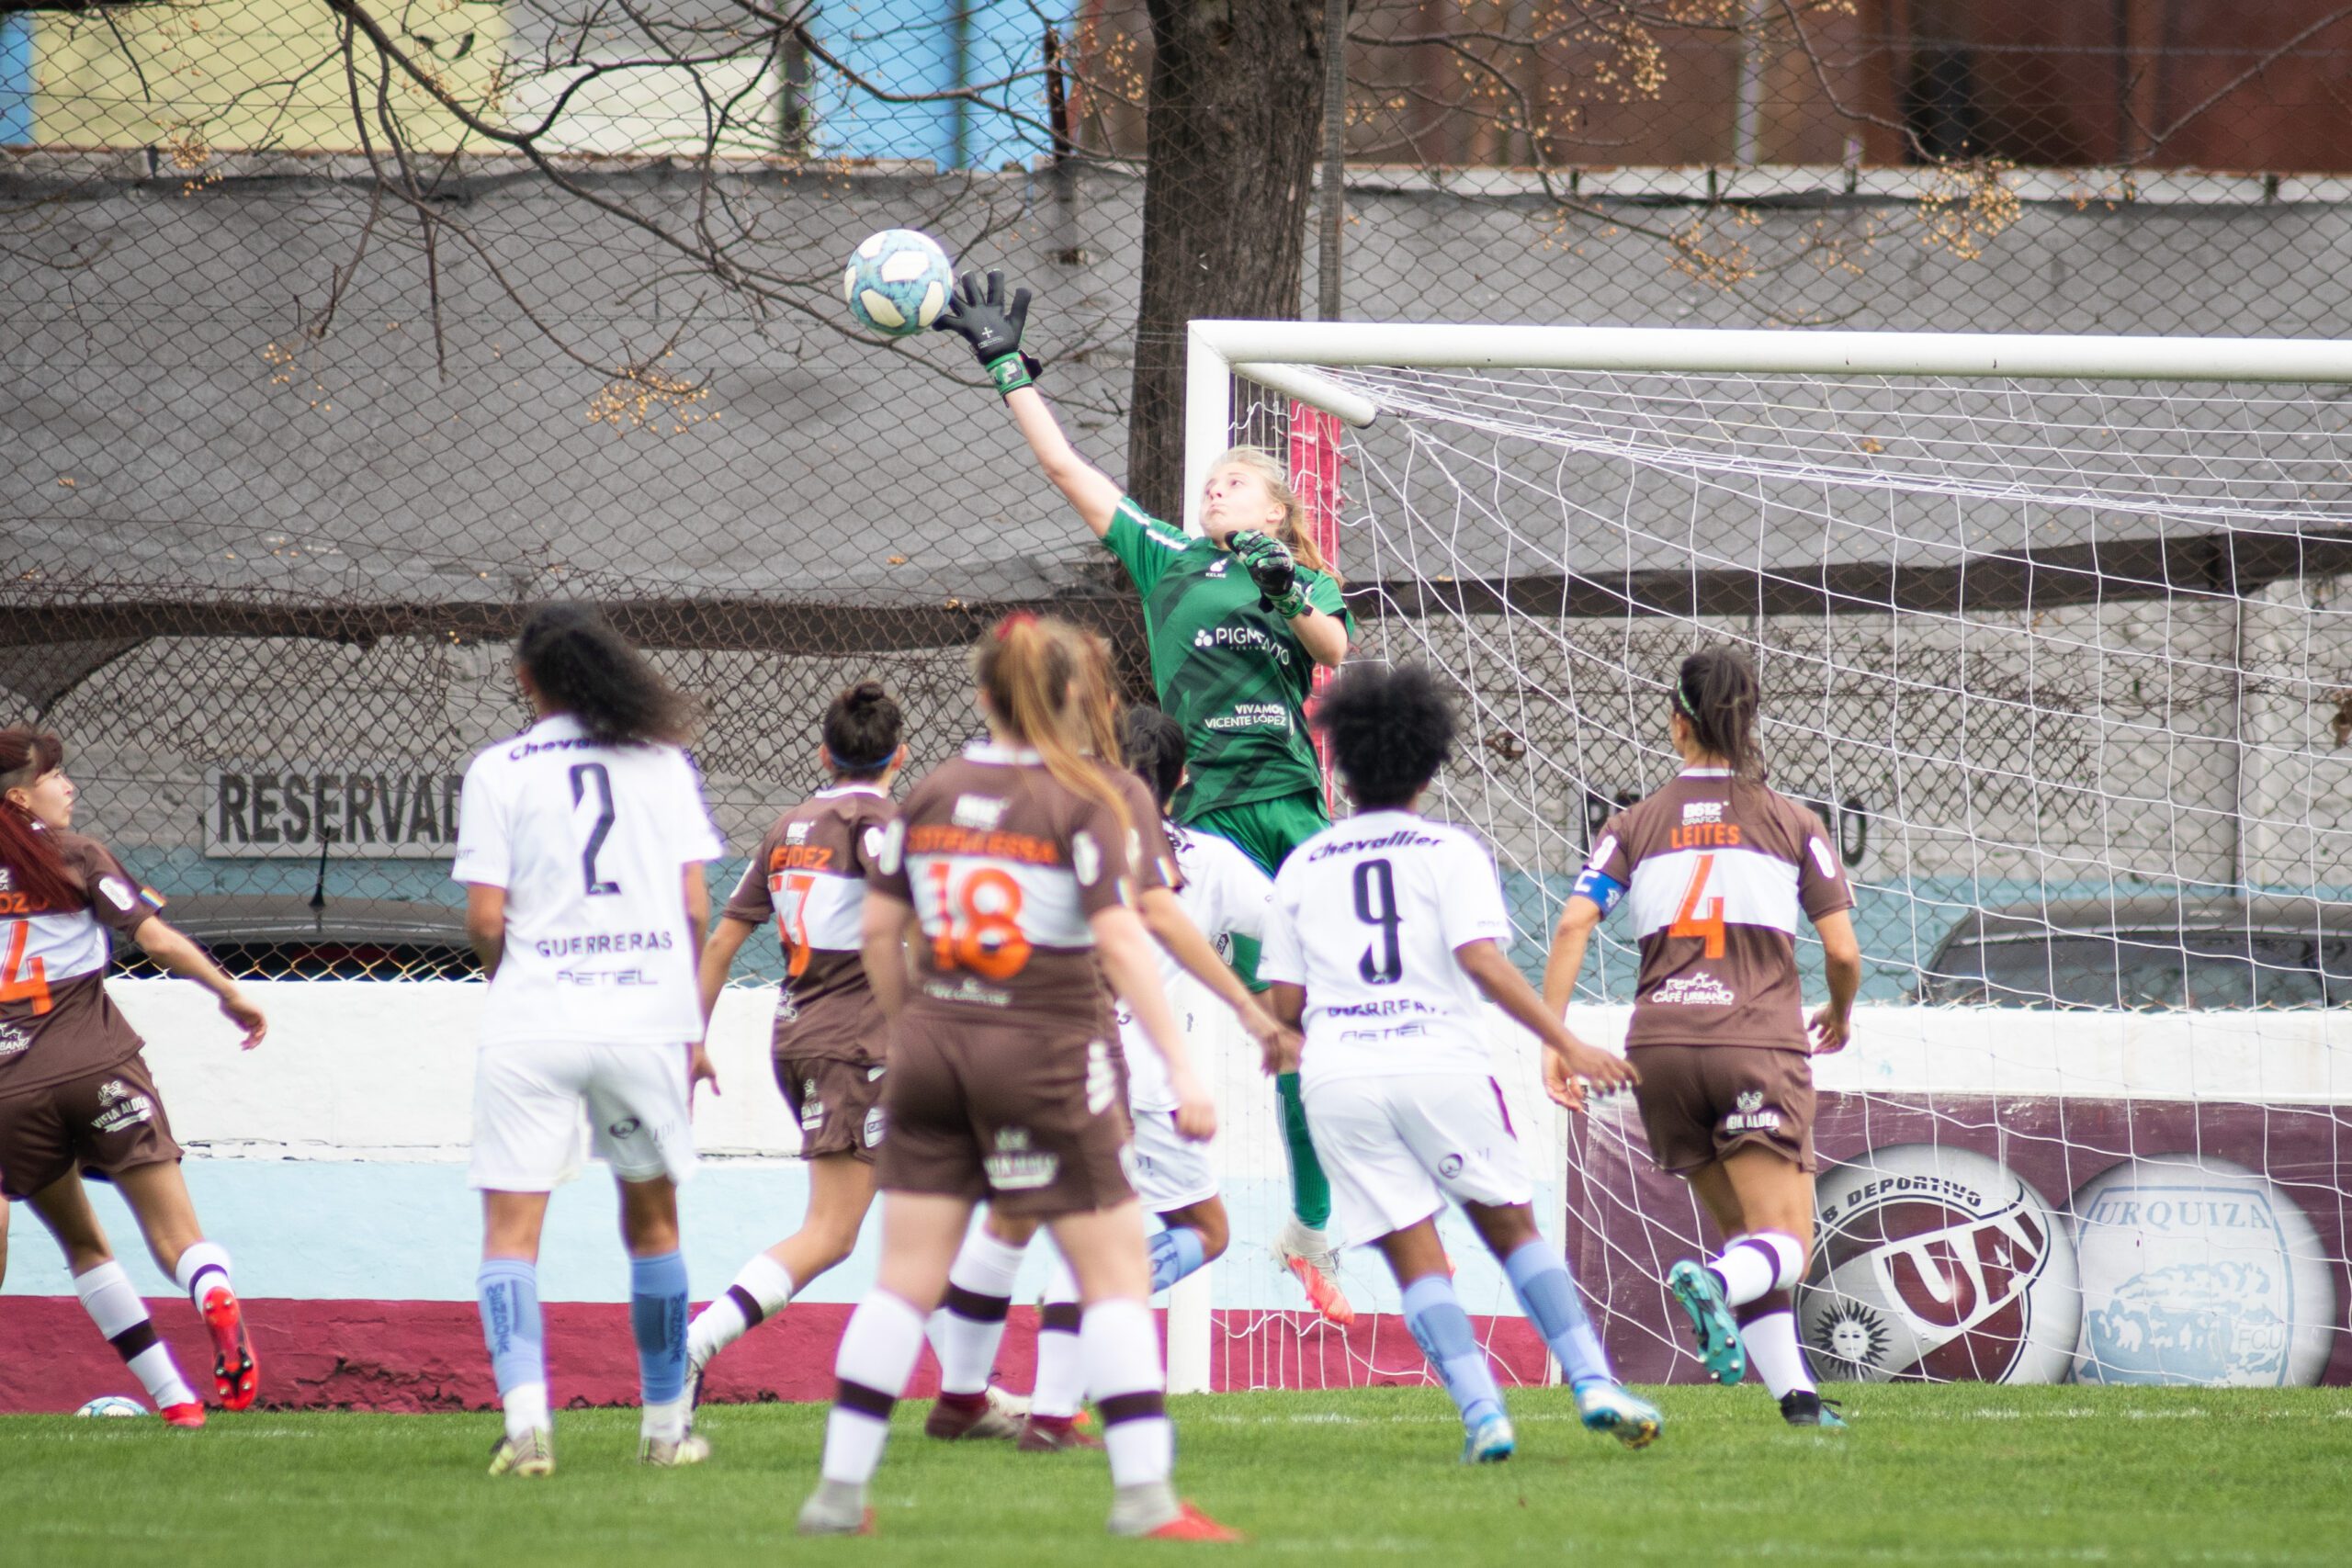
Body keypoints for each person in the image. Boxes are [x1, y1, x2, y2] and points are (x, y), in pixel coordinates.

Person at [934, 268, 1355, 1324]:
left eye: (1233, 485)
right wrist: (1005, 370)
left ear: (1276, 508)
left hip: (1295, 814)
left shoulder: (1298, 577)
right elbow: (1066, 468)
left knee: (1300, 1029)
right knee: (1176, 1001)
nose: (1211, 492)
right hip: (1210, 817)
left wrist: (1280, 582)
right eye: (1208, 484)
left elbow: (1334, 647)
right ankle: (1094, 1215)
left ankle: (1311, 1230)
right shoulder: (1168, 558)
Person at [797, 614, 1238, 1541]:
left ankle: (838, 1492)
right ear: (1075, 698)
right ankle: (1146, 1498)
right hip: (1045, 1053)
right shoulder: (1090, 795)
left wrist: (915, 1021)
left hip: (931, 1051)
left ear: (982, 696)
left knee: (902, 1280)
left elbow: (882, 935)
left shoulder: (932, 793)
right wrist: (1187, 1066)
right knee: (1115, 1274)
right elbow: (1125, 933)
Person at [1257, 663, 1661, 1462]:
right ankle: (1592, 1381)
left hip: (1339, 1080)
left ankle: (1484, 1414)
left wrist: (1288, 1033)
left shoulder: (1303, 865)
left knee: (1417, 1256)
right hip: (1439, 1061)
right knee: (1511, 1227)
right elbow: (1480, 959)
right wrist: (1568, 1040)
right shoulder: (1449, 850)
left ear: (1342, 763)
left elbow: (1283, 1008)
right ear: (1430, 759)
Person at [922, 654, 1295, 1452]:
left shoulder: (1054, 844)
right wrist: (1281, 1011)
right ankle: (1054, 1408)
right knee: (1197, 1228)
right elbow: (1287, 930)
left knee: (1022, 1216)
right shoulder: (1205, 861)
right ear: (1183, 777)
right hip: (1145, 1085)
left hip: (1035, 1058)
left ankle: (969, 1389)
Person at [1541, 645, 1861, 1429]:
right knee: (1783, 1242)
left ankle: (1799, 1402)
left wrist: (1554, 1039)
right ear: (1749, 721)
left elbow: (1575, 921)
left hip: (1658, 1050)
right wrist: (1842, 1010)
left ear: (1676, 722)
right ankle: (1715, 1283)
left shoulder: (1633, 824)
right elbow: (1845, 951)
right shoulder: (1793, 821)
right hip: (1753, 1041)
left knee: (1750, 1243)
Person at [452, 604, 725, 1476]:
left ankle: (528, 1428)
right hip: (645, 1016)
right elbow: (692, 906)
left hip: (533, 1016)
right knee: (651, 1220)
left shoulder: (497, 770)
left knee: (511, 1228)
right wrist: (686, 1020)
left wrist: (521, 976)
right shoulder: (664, 763)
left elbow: (486, 917)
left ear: (529, 681)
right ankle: (663, 1430)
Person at [0, 727, 266, 1427]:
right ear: (22, 795)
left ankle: (177, 1402)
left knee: (83, 1244)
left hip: (9, 1092)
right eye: (59, 776)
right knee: (178, 1238)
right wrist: (229, 992)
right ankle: (211, 1288)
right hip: (99, 1068)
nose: (71, 787)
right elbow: (156, 937)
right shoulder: (75, 856)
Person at [682, 682, 909, 1402]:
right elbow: (903, 928)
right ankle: (694, 1344)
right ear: (900, 757)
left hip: (797, 1034)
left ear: (822, 752)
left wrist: (692, 1039)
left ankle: (969, 1390)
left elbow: (721, 939)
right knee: (833, 1232)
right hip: (859, 1044)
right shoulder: (885, 827)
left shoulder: (787, 827)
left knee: (940, 1192)